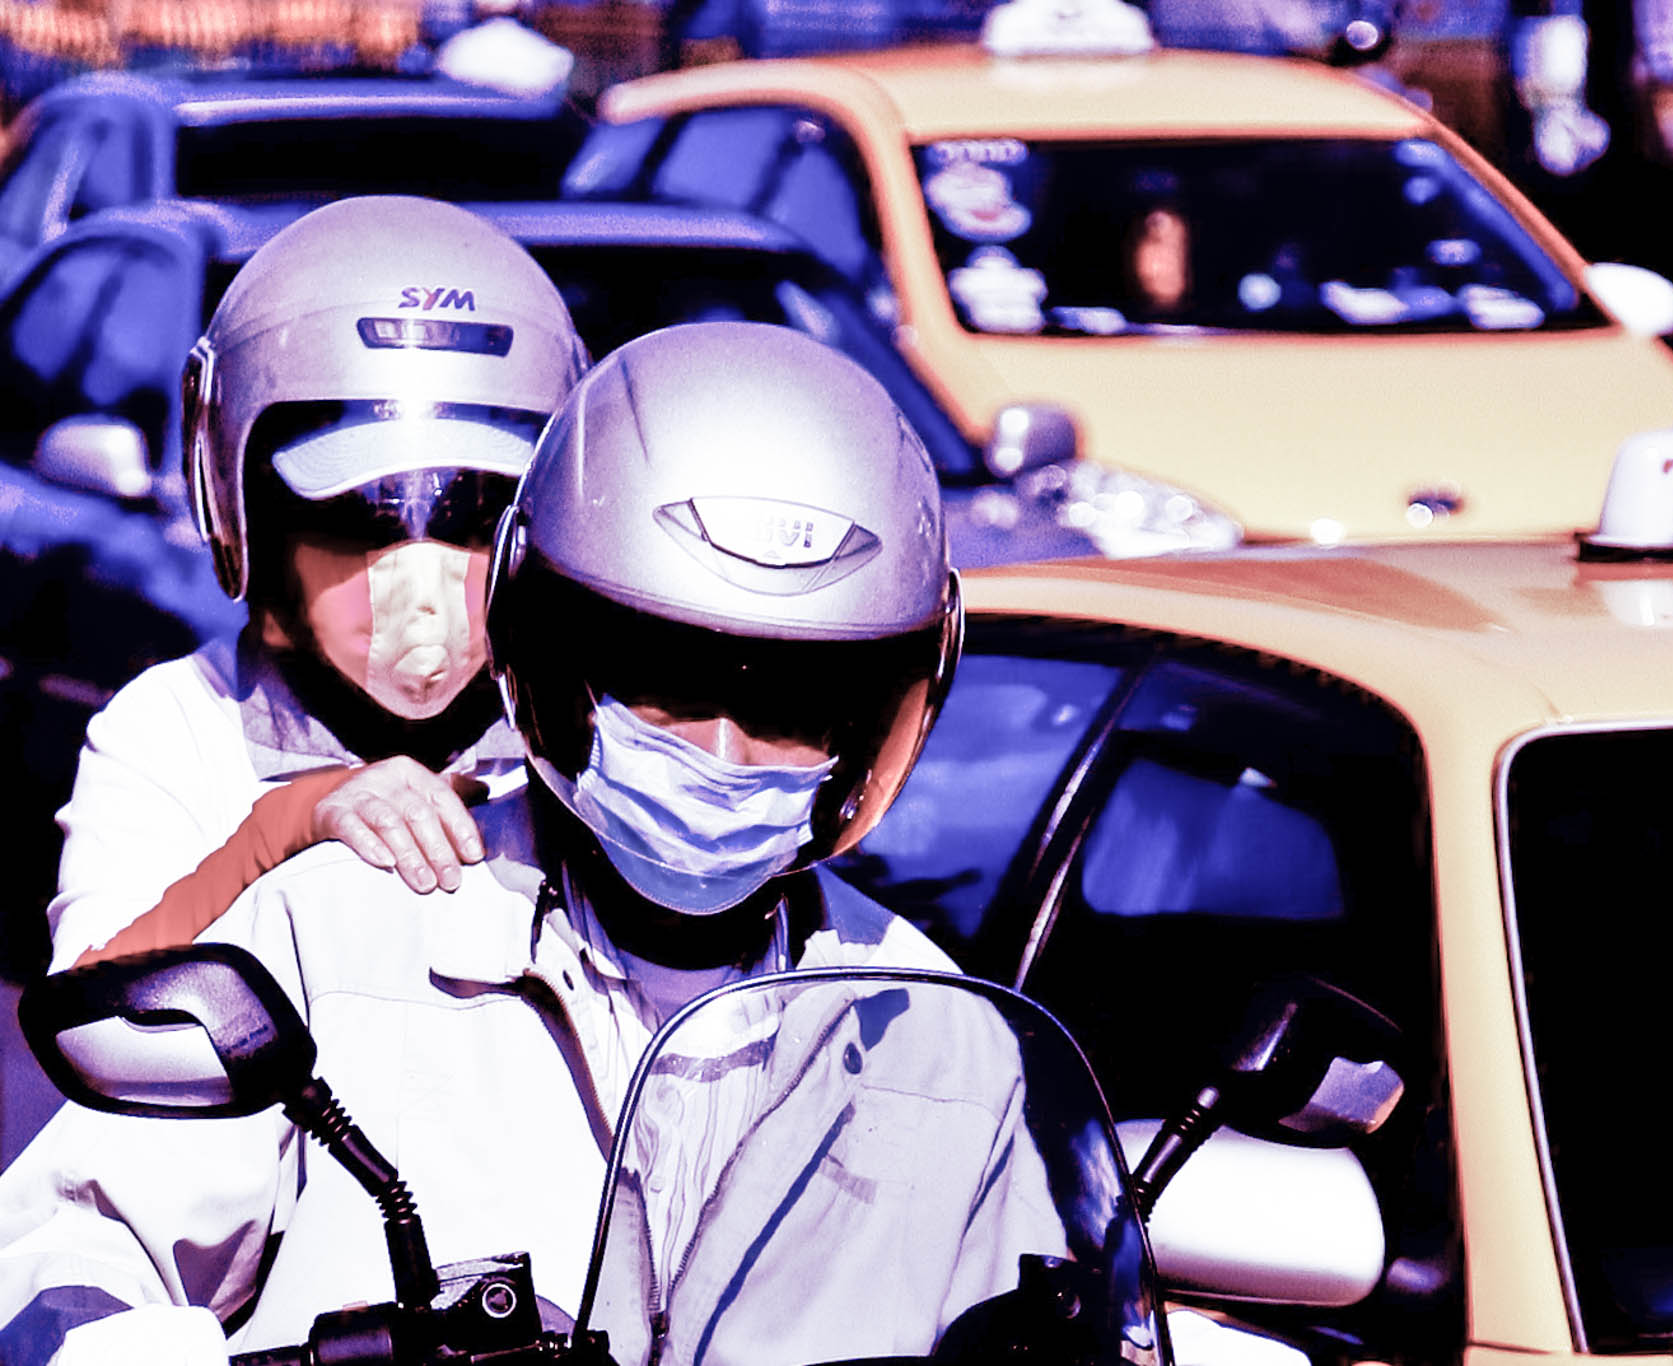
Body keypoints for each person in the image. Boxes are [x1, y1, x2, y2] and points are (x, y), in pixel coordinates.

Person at [0, 322, 1067, 1366]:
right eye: (667, 681)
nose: (725, 750)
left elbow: (1029, 1326)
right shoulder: (348, 930)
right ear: (556, 656)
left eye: (794, 703)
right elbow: (71, 1246)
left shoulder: (933, 1029)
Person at [43, 195, 587, 972]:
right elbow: (92, 1006)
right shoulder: (179, 728)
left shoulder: (578, 742)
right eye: (361, 516)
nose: (422, 582)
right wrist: (280, 829)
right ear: (252, 516)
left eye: (475, 512)